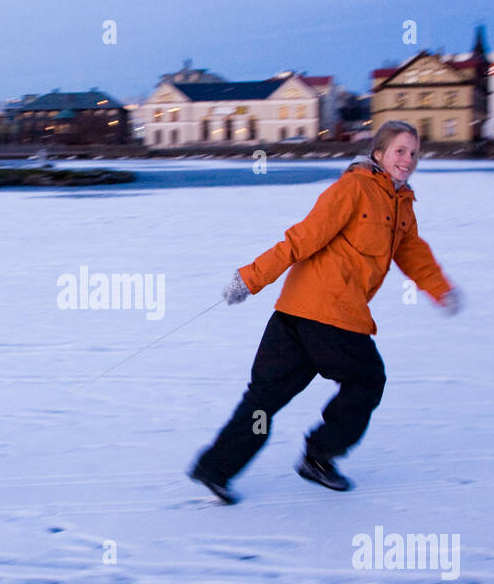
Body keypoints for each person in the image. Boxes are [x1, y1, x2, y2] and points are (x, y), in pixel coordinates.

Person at [189, 121, 461, 503]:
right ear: (378, 154)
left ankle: (215, 469)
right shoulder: (354, 189)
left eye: (414, 153)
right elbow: (302, 238)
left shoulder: (402, 206)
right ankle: (318, 457)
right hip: (327, 314)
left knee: (264, 400)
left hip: (302, 313)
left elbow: (412, 253)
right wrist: (249, 279)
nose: (408, 160)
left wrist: (440, 289)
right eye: (400, 150)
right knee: (366, 381)